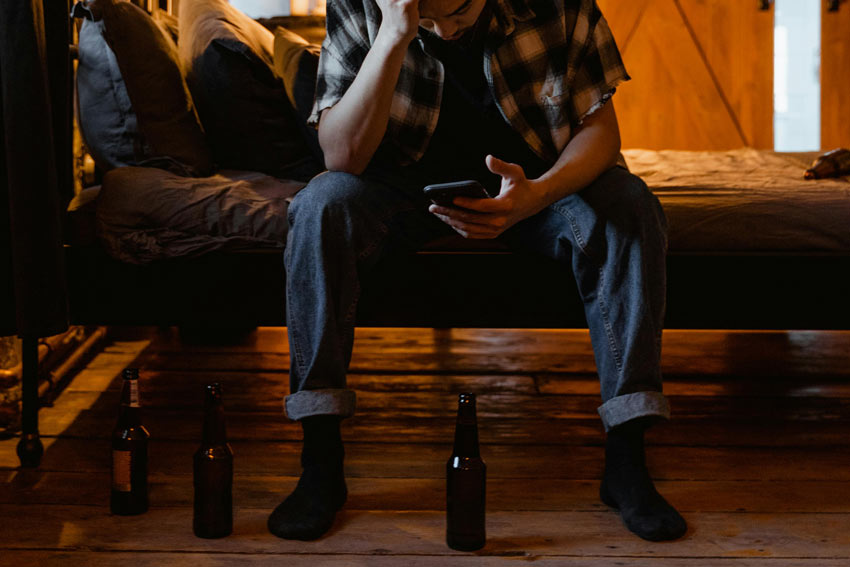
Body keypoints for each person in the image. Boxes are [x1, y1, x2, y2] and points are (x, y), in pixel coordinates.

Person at [267, 0, 687, 543]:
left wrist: (535, 198)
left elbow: (602, 133)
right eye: (426, 12)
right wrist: (395, 35)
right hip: (399, 187)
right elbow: (341, 156)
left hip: (536, 186)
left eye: (457, 10)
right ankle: (319, 461)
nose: (442, 27)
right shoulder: (361, 5)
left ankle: (628, 459)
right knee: (320, 205)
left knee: (630, 204)